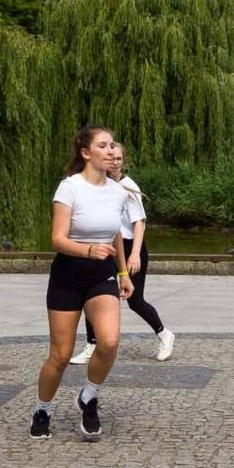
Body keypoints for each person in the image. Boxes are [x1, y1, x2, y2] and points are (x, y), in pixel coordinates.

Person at [28, 126, 134, 440]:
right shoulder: (69, 188)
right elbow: (57, 239)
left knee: (110, 341)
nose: (111, 151)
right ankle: (42, 408)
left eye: (112, 145)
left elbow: (115, 234)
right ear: (86, 153)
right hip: (68, 273)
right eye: (103, 145)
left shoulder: (118, 191)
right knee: (60, 355)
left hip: (101, 273)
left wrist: (124, 272)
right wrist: (87, 249)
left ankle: (88, 397)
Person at [75, 144, 175, 362]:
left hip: (130, 248)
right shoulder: (103, 186)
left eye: (119, 159)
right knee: (94, 296)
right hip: (108, 248)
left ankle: (164, 334)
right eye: (112, 158)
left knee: (135, 300)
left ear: (124, 162)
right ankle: (92, 345)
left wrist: (135, 254)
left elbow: (139, 223)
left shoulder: (127, 187)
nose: (115, 162)